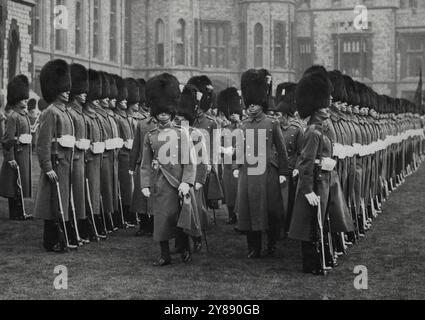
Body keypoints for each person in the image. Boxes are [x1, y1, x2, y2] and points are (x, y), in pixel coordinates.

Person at [140, 73, 196, 266]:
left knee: (180, 218)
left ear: (172, 112)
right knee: (162, 220)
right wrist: (145, 184)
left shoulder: (182, 133)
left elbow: (190, 160)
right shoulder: (151, 135)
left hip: (178, 182)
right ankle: (165, 255)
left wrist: (187, 182)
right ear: (155, 113)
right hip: (160, 184)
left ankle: (185, 249)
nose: (163, 115)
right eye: (160, 112)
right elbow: (145, 163)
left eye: (166, 112)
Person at [234, 69, 290, 259]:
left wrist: (283, 171)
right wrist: (236, 167)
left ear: (262, 104)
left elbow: (281, 150)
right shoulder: (243, 125)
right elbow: (239, 149)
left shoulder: (271, 124)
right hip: (248, 173)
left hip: (267, 172)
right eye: (249, 104)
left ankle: (271, 243)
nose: (251, 107)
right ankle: (253, 247)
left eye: (255, 104)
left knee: (269, 210)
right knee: (248, 210)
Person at [289, 72, 335, 275]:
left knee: (319, 223)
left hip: (323, 181)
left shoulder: (322, 129)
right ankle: (311, 263)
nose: (329, 106)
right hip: (313, 183)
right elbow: (306, 162)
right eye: (325, 105)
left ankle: (319, 259)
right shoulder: (313, 132)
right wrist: (307, 189)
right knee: (310, 224)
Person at [34, 59, 76, 253]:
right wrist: (47, 167)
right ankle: (51, 241)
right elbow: (42, 143)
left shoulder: (64, 111)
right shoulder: (51, 112)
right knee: (52, 204)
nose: (68, 92)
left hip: (66, 164)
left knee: (62, 203)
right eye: (64, 89)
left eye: (68, 89)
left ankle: (61, 237)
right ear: (55, 89)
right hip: (56, 164)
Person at [175, 84, 209, 253]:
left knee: (193, 212)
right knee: (177, 212)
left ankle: (196, 238)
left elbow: (202, 159)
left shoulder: (196, 134)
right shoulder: (172, 133)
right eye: (177, 118)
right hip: (176, 178)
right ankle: (180, 244)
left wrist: (200, 181)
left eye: (182, 118)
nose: (179, 121)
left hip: (193, 178)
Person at [0, 74, 33, 221]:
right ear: (16, 98)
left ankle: (21, 212)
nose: (26, 99)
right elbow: (7, 140)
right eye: (23, 97)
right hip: (16, 155)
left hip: (23, 154)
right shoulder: (13, 116)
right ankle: (16, 213)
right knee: (14, 185)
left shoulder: (23, 115)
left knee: (20, 184)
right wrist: (10, 158)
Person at [274, 82, 305, 234]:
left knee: (288, 202)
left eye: (278, 115)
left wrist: (297, 169)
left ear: (285, 116)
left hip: (290, 169)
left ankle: (286, 227)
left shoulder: (296, 130)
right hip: (276, 169)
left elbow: (301, 152)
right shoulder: (274, 129)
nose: (276, 118)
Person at [67, 63, 90, 245]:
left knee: (80, 198)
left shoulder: (79, 112)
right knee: (73, 198)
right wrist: (76, 143)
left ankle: (79, 231)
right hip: (73, 159)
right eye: (81, 91)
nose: (85, 94)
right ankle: (73, 232)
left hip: (81, 159)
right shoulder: (71, 113)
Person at [83, 69, 106, 240]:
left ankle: (95, 224)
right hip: (88, 161)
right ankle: (89, 227)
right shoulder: (85, 117)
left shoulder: (96, 116)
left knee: (95, 194)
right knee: (89, 195)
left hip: (97, 160)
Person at [217, 87, 244, 225]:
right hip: (227, 165)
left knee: (240, 192)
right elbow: (218, 147)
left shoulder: (243, 128)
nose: (233, 116)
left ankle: (241, 217)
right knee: (229, 192)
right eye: (231, 114)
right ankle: (231, 215)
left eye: (235, 113)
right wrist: (224, 150)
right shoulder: (225, 130)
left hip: (240, 164)